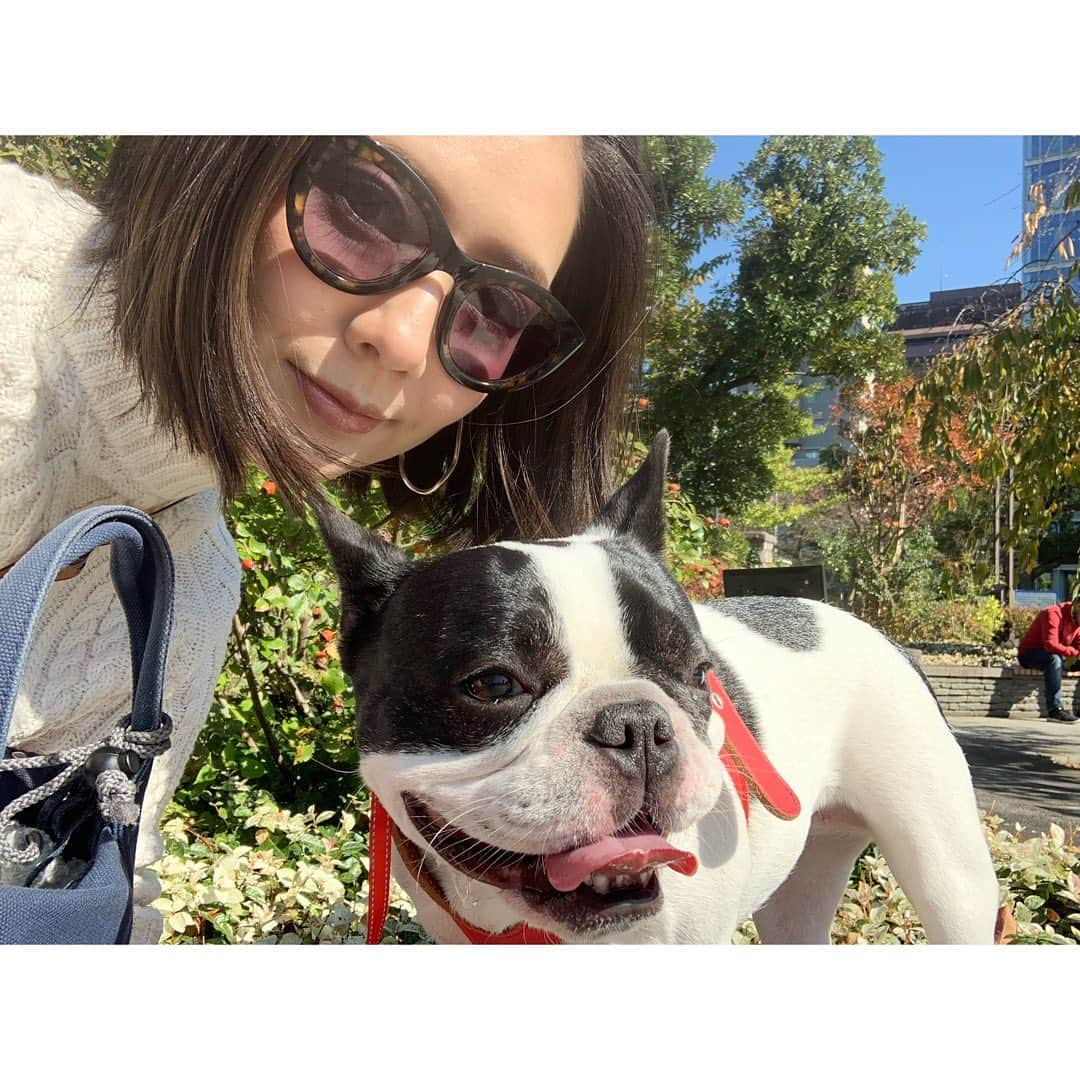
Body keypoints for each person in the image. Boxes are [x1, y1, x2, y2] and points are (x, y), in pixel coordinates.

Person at [0, 136, 655, 941]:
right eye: (367, 207)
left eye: (498, 310)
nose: (407, 341)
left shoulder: (190, 587)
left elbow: (106, 886)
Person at [1017, 598, 1080, 723]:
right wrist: (1075, 653)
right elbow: (1050, 645)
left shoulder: (1077, 622)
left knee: (1056, 659)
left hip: (1058, 655)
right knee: (1054, 660)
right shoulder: (1052, 613)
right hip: (1030, 654)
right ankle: (1054, 710)